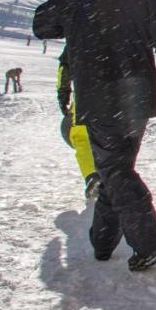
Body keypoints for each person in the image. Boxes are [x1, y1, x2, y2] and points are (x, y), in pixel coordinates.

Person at [33, 0, 156, 272]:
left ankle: (148, 242)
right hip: (137, 100)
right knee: (116, 167)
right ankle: (102, 242)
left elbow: (41, 24)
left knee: (115, 169)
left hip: (96, 96)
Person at [57, 46, 101, 200]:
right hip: (123, 92)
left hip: (87, 93)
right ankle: (114, 175)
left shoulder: (79, 27)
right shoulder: (128, 26)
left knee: (80, 135)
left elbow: (65, 66)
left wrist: (63, 92)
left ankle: (92, 175)